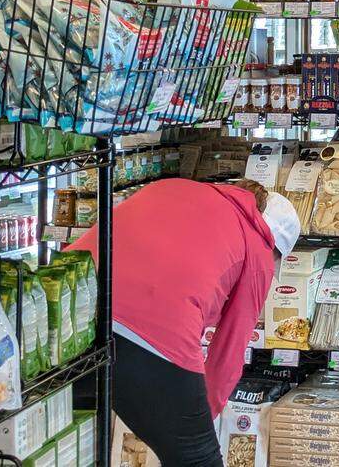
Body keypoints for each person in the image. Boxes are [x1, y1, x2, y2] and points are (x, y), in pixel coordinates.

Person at [71, 177, 301, 466]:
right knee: (197, 459)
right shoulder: (258, 250)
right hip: (151, 332)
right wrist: (200, 422)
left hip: (70, 299)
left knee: (70, 435)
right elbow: (228, 353)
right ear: (275, 246)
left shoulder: (177, 186)